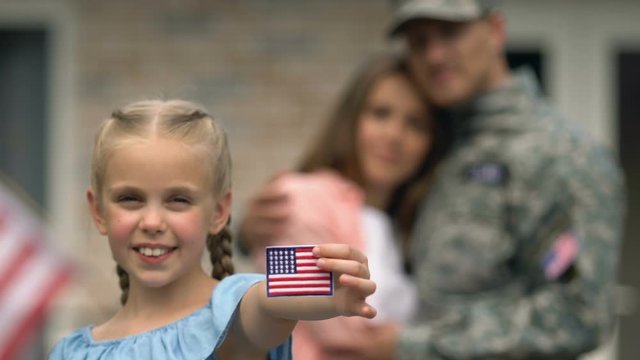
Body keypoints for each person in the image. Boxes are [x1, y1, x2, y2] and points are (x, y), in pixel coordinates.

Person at [322, 0, 626, 359]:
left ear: (496, 31)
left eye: (451, 33)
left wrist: (414, 345)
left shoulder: (561, 155)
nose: (434, 55)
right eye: (419, 42)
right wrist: (255, 232)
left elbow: (579, 316)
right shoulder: (432, 140)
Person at [48, 100, 377, 360]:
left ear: (219, 211)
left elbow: (268, 300)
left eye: (178, 200)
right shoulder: (71, 353)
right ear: (98, 211)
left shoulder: (230, 315)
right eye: (130, 199)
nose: (151, 223)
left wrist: (325, 285)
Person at [237, 53, 444, 359]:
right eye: (380, 113)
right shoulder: (295, 198)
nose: (394, 135)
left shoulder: (409, 225)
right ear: (352, 119)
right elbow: (338, 325)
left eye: (416, 124)